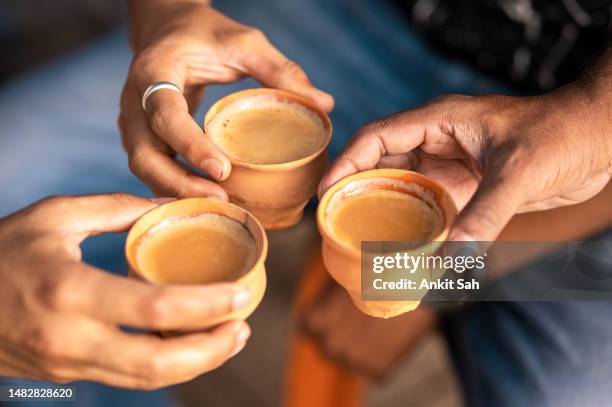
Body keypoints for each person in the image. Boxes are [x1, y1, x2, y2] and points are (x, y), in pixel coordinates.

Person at [1, 0, 611, 405]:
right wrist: (167, 14)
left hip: (587, 117)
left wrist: (444, 278)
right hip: (364, 16)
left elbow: (576, 169)